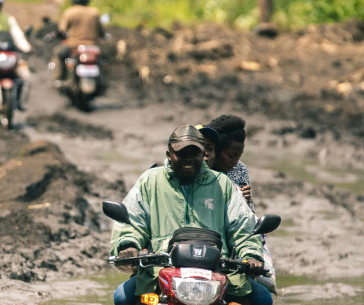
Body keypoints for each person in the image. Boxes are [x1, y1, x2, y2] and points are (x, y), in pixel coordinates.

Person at [110, 124, 270, 305]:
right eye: (181, 153)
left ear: (203, 155)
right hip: (160, 272)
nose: (188, 159)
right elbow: (132, 221)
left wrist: (251, 255)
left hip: (220, 274)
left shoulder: (222, 184)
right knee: (122, 298)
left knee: (263, 299)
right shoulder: (150, 180)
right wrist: (128, 244)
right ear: (169, 154)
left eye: (194, 153)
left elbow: (242, 226)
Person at [207, 114, 276, 297]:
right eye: (231, 155)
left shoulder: (239, 170)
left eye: (239, 156)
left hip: (231, 244)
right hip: (204, 241)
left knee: (261, 295)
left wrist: (245, 202)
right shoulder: (200, 170)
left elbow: (247, 218)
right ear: (215, 150)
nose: (235, 161)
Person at [52, 0, 106, 85]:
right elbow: (101, 31)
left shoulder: (70, 12)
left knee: (58, 53)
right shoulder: (95, 12)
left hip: (73, 45)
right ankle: (103, 80)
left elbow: (61, 29)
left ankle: (58, 78)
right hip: (93, 46)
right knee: (103, 59)